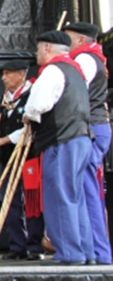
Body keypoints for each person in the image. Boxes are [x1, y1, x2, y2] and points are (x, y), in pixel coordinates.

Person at [25, 30, 93, 264]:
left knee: (59, 198)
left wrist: (28, 114)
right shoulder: (76, 70)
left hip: (61, 139)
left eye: (38, 49)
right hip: (82, 137)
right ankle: (86, 253)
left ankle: (69, 255)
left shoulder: (53, 70)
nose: (36, 54)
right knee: (76, 198)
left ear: (47, 48)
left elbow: (37, 105)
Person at [0, 60, 45, 260]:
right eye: (3, 74)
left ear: (21, 74)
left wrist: (3, 139)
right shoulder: (3, 99)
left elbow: (30, 128)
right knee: (10, 201)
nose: (3, 78)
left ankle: (34, 246)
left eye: (8, 74)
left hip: (28, 155)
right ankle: (17, 244)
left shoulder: (32, 94)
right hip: (8, 157)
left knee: (31, 200)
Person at [64, 22, 112, 264]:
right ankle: (93, 251)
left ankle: (98, 253)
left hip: (90, 127)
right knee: (86, 190)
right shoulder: (91, 57)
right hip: (94, 126)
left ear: (81, 40)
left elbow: (74, 93)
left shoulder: (84, 59)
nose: (65, 44)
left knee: (88, 191)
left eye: (68, 38)